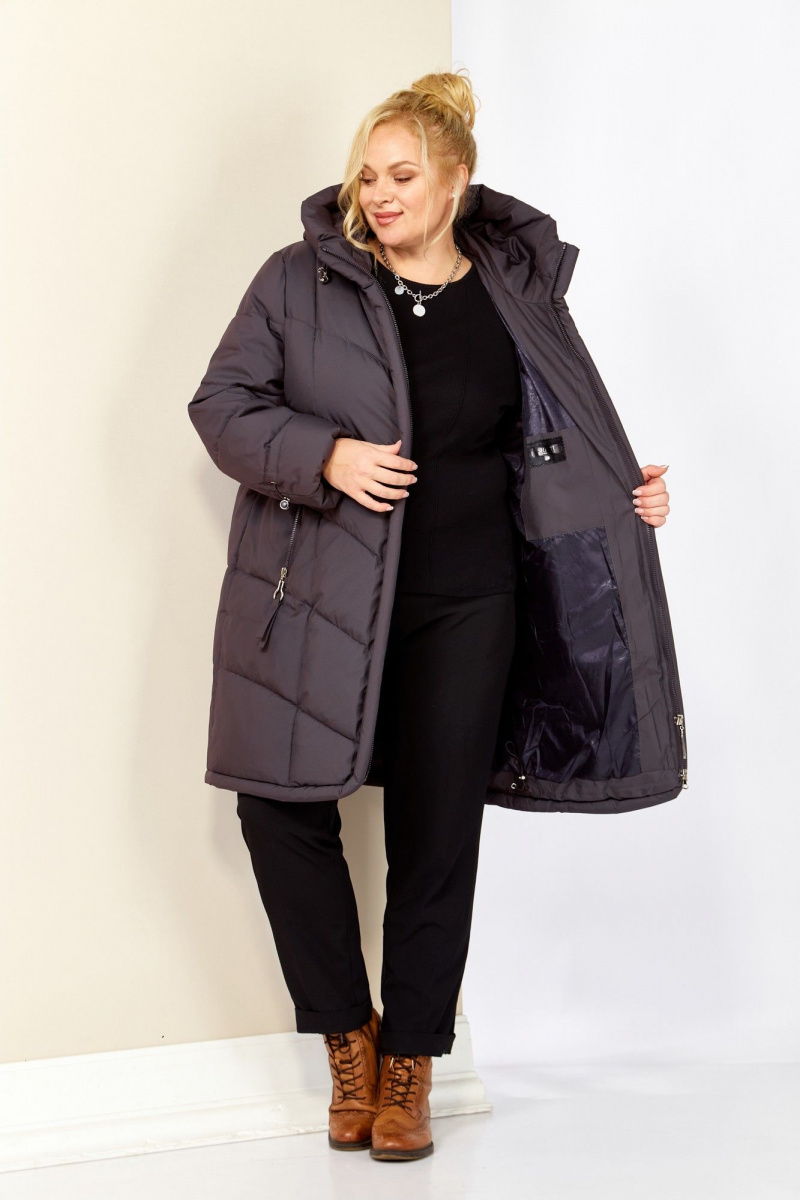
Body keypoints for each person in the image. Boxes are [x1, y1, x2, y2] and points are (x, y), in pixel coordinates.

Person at [188, 69, 675, 1163]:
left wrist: (628, 495)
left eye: (403, 176)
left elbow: (561, 432)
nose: (379, 194)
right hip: (316, 595)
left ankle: (409, 1065)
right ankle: (347, 1042)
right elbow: (220, 407)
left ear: (456, 183)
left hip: (467, 601)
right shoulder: (299, 281)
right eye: (368, 176)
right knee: (276, 809)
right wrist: (324, 455)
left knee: (436, 832)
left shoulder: (513, 292)